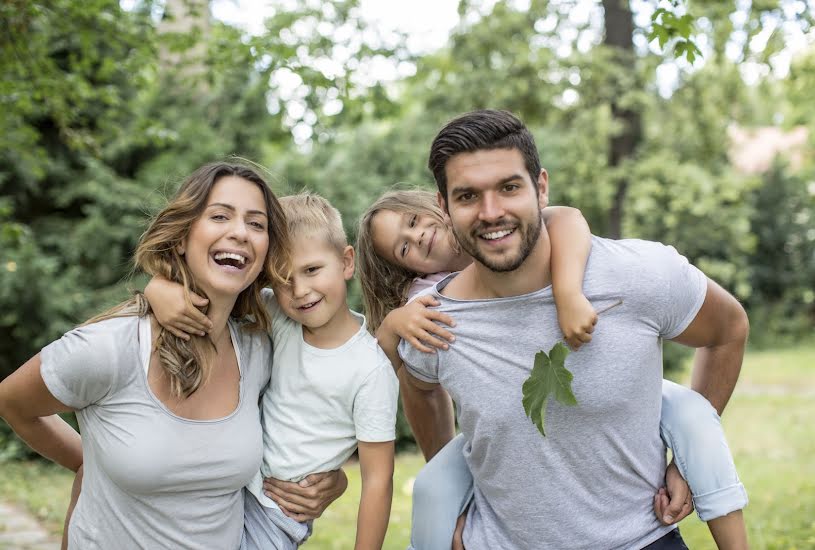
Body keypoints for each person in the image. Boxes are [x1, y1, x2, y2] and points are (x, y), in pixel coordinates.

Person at [395, 110, 750, 549]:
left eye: (509, 188)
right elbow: (419, 386)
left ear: (540, 187)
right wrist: (453, 492)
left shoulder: (639, 276)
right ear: (443, 207)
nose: (491, 212)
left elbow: (728, 329)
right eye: (467, 196)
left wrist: (686, 464)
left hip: (643, 540)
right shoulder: (433, 320)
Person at [0, 163, 347, 549]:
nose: (239, 232)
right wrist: (85, 461)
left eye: (256, 224)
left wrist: (332, 479)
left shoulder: (260, 347)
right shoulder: (108, 349)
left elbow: (330, 387)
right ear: (182, 237)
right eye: (219, 216)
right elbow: (12, 401)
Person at [146, 192, 399, 550]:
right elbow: (209, 287)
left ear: (346, 262)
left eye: (312, 270)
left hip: (279, 513)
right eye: (282, 279)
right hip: (228, 489)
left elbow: (378, 480)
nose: (300, 290)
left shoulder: (370, 370)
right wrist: (158, 288)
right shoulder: (278, 315)